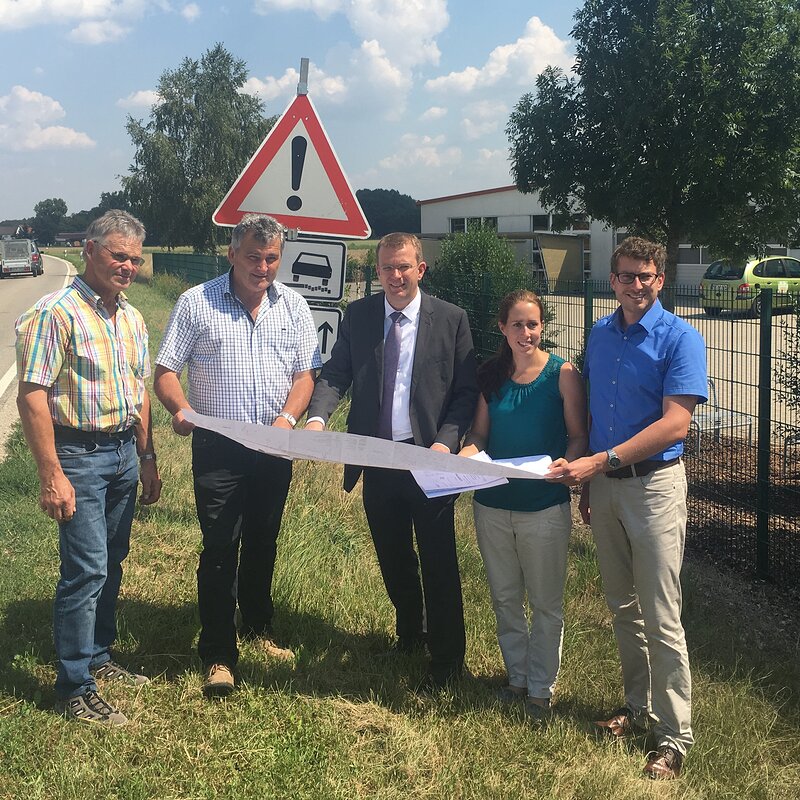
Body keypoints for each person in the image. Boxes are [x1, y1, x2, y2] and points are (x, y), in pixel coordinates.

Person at [550, 236, 707, 779]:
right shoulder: (599, 334)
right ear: (611, 280)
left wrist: (602, 461)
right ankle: (638, 708)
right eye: (625, 275)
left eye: (645, 275)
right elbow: (595, 411)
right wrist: (593, 481)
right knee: (622, 606)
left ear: (660, 279)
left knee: (662, 614)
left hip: (654, 487)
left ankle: (674, 736)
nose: (635, 284)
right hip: (607, 487)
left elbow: (676, 424)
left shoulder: (681, 338)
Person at [153, 214, 321, 699]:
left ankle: (258, 625)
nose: (262, 267)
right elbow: (166, 371)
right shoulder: (197, 302)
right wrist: (181, 408)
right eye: (253, 257)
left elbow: (305, 375)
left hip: (274, 443)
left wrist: (287, 419)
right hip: (218, 447)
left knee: (264, 539)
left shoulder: (293, 306)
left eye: (271, 258)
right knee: (221, 546)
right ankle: (219, 654)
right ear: (231, 254)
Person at [305, 232, 478, 690]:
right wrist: (317, 418)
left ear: (420, 269)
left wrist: (445, 443)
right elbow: (336, 373)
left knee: (438, 562)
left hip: (430, 461)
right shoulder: (360, 315)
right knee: (393, 555)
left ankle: (447, 660)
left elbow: (465, 393)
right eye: (387, 268)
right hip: (378, 460)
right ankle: (410, 634)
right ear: (377, 271)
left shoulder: (452, 319)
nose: (396, 276)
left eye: (404, 267)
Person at [15, 210, 162, 727]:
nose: (127, 266)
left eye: (135, 259)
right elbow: (32, 396)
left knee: (112, 560)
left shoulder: (132, 317)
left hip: (123, 454)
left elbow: (140, 392)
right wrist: (51, 474)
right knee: (86, 570)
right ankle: (74, 686)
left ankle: (99, 654)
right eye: (118, 255)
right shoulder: (54, 313)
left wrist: (147, 457)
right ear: (90, 250)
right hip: (78, 455)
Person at [458, 290, 587, 719]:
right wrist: (465, 457)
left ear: (542, 326)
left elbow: (578, 436)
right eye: (517, 324)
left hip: (544, 505)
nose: (525, 332)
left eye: (532, 324)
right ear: (502, 328)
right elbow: (479, 434)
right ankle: (516, 679)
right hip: (492, 504)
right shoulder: (490, 375)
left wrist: (569, 462)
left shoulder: (562, 374)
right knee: (505, 597)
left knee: (546, 604)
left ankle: (540, 690)